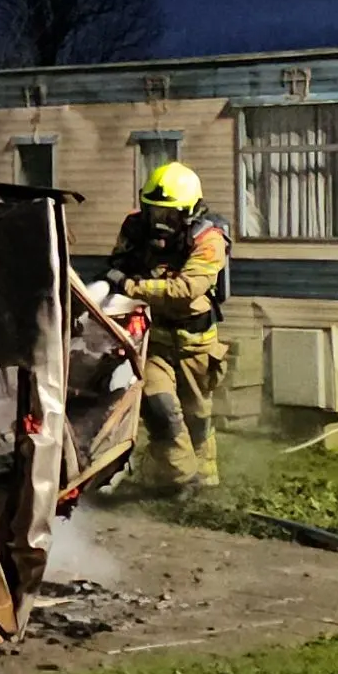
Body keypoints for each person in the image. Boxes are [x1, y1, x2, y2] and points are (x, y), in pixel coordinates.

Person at [110, 160, 230, 496]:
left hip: (197, 342)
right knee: (159, 408)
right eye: (154, 213)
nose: (159, 224)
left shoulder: (209, 239)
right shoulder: (135, 229)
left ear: (189, 212)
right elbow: (119, 263)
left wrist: (132, 287)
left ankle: (205, 481)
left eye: (169, 216)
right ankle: (179, 479)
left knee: (196, 415)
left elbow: (185, 290)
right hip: (155, 340)